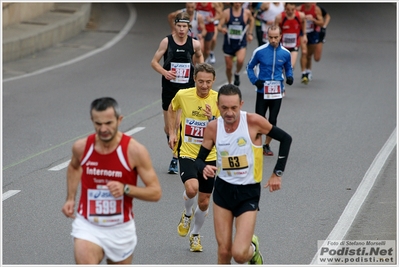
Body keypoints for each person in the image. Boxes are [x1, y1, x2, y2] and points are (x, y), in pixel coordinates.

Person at [194, 84, 292, 264]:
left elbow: (286, 139)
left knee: (239, 254)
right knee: (224, 252)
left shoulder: (254, 122)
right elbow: (199, 159)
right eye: (224, 108)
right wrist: (203, 168)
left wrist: (277, 173)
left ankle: (253, 250)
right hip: (223, 191)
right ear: (217, 105)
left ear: (241, 104)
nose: (229, 113)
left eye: (233, 108)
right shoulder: (213, 128)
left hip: (248, 193)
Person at [61, 97, 162, 264]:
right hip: (88, 225)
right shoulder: (81, 147)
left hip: (120, 229)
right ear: (92, 121)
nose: (103, 129)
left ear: (119, 120)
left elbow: (155, 192)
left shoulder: (134, 151)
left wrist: (126, 189)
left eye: (108, 123)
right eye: (98, 124)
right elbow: (74, 167)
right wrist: (70, 198)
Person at [167, 63, 219, 252]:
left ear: (213, 81)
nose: (204, 86)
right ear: (194, 80)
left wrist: (212, 120)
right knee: (192, 188)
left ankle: (195, 235)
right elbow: (172, 108)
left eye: (208, 82)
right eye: (200, 82)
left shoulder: (219, 100)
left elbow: (227, 129)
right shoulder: (183, 95)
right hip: (188, 152)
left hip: (210, 156)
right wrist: (172, 132)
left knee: (204, 202)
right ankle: (187, 213)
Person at [151, 11, 204, 174]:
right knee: (168, 128)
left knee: (179, 125)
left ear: (189, 28)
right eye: (179, 26)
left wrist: (199, 75)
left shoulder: (194, 44)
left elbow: (200, 60)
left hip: (186, 91)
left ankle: (176, 158)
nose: (181, 29)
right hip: (169, 90)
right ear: (175, 26)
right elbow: (154, 62)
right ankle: (172, 141)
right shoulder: (166, 42)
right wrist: (164, 72)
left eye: (184, 26)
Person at [246, 25, 293, 156]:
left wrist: (290, 76)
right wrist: (255, 81)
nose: (273, 40)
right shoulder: (259, 51)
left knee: (272, 119)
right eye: (271, 37)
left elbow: (288, 67)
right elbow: (249, 67)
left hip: (277, 91)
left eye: (276, 37)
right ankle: (257, 145)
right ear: (267, 36)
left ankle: (266, 145)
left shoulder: (285, 53)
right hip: (262, 90)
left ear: (280, 36)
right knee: (259, 119)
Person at [217, 2, 254, 86]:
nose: (237, 3)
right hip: (229, 43)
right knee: (229, 67)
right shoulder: (226, 12)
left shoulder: (246, 12)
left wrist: (250, 33)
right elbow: (219, 26)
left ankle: (237, 73)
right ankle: (230, 83)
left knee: (240, 60)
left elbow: (252, 20)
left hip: (241, 43)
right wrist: (222, 29)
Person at [274, 3, 307, 72]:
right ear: (285, 8)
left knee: (291, 66)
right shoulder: (279, 17)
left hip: (294, 44)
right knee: (280, 66)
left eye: (293, 9)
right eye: (288, 9)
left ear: (295, 8)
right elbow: (275, 30)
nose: (290, 11)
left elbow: (304, 23)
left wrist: (304, 35)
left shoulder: (300, 16)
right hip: (282, 45)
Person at [297, 2, 324, 84]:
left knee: (309, 55)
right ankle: (303, 73)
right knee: (304, 52)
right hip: (302, 33)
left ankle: (309, 70)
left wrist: (313, 20)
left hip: (313, 33)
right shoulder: (299, 9)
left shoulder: (316, 9)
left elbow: (321, 23)